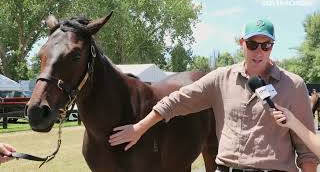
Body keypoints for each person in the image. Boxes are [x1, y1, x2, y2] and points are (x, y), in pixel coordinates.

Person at [108, 19, 319, 171]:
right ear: (242, 44)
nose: (259, 52)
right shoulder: (220, 78)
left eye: (266, 45)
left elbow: (307, 149)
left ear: (272, 46)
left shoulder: (294, 85)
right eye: (253, 44)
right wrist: (139, 128)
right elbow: (177, 101)